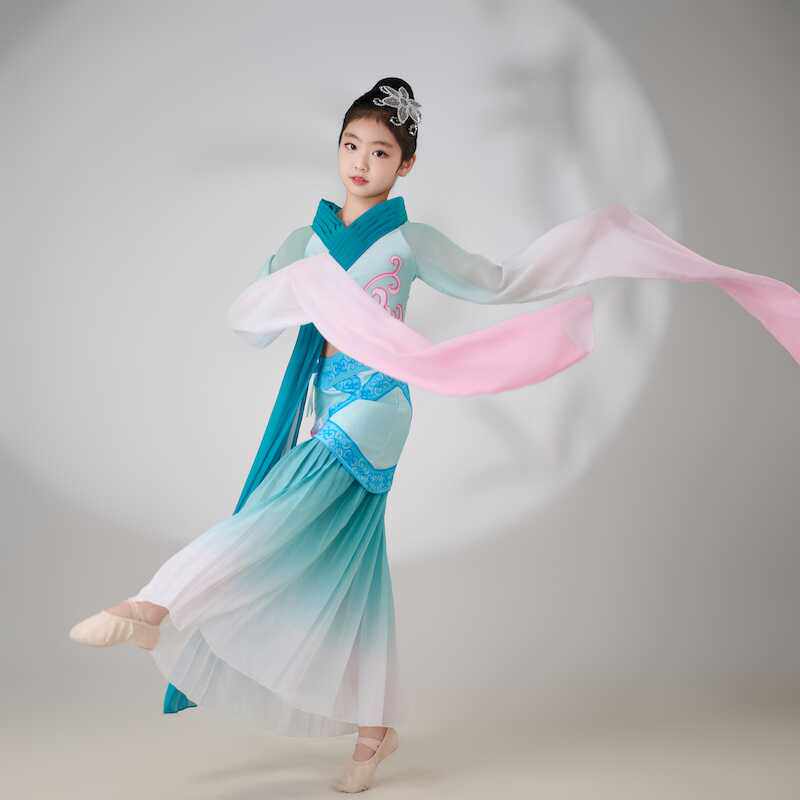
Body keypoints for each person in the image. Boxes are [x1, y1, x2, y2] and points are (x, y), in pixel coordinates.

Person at [69, 76, 800, 793]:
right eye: (351, 145)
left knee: (270, 515)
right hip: (326, 402)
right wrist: (286, 288)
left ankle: (154, 605)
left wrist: (592, 250)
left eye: (380, 152)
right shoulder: (305, 240)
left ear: (406, 164)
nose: (361, 162)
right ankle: (375, 728)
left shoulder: (408, 240)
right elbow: (254, 323)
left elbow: (498, 281)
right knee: (356, 569)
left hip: (378, 406)